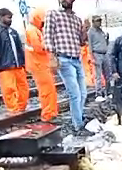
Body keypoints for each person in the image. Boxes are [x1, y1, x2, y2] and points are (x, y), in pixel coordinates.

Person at [43, 0, 90, 136]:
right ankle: (78, 125)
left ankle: (79, 118)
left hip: (77, 59)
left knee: (83, 93)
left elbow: (81, 42)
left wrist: (85, 29)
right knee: (75, 93)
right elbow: (47, 37)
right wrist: (52, 57)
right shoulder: (53, 14)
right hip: (63, 59)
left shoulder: (76, 19)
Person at [0, 8, 30, 114]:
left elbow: (20, 49)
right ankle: (13, 111)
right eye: (8, 17)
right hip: (4, 66)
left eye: (11, 18)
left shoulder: (14, 32)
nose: (10, 20)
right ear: (1, 17)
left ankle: (21, 108)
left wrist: (25, 63)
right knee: (9, 90)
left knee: (23, 88)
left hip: (18, 65)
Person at [25, 8, 58, 122]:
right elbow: (39, 47)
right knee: (46, 91)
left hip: (42, 65)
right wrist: (50, 43)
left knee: (49, 90)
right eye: (43, 21)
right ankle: (48, 115)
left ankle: (51, 113)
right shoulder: (32, 31)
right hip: (39, 65)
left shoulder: (36, 30)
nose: (44, 24)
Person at [88, 15, 110, 101]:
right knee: (98, 75)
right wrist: (92, 57)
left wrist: (107, 39)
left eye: (100, 21)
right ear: (93, 22)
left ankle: (108, 92)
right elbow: (90, 45)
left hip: (105, 53)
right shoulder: (91, 32)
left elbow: (105, 43)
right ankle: (99, 94)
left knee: (108, 74)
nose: (99, 22)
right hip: (97, 54)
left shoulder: (101, 31)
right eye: (97, 21)